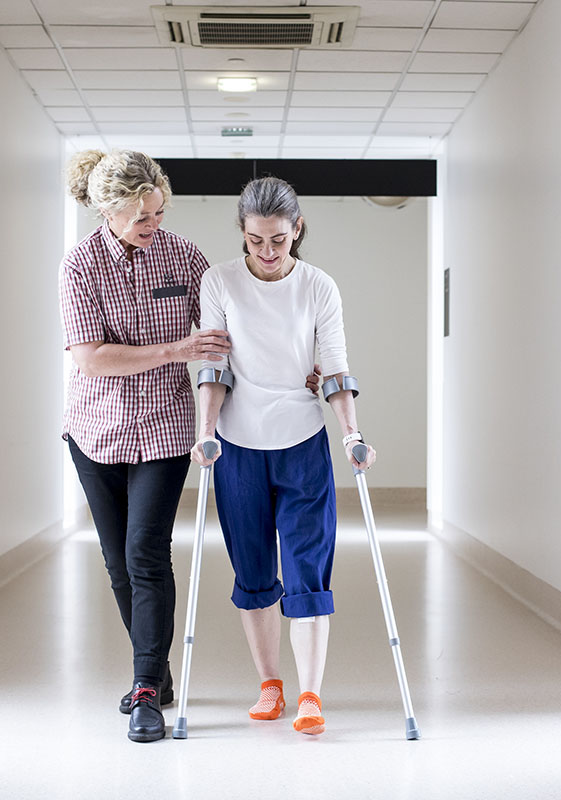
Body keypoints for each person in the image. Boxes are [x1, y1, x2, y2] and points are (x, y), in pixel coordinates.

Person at [191, 176, 375, 736]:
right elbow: (214, 365)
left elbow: (336, 362)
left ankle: (311, 694)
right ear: (242, 235)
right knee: (252, 572)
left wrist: (350, 434)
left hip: (302, 446)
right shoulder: (218, 281)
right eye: (255, 241)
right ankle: (270, 685)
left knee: (307, 570)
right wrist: (204, 431)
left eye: (278, 239)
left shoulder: (318, 286)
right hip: (237, 447)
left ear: (296, 229)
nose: (268, 253)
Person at [59, 149, 231, 743]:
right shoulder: (79, 265)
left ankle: (146, 693)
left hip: (163, 428)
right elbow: (90, 358)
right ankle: (154, 669)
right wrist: (172, 351)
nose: (154, 225)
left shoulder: (185, 257)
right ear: (109, 211)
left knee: (146, 553)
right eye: (142, 218)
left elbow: (220, 338)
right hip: (95, 431)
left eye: (158, 212)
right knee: (117, 564)